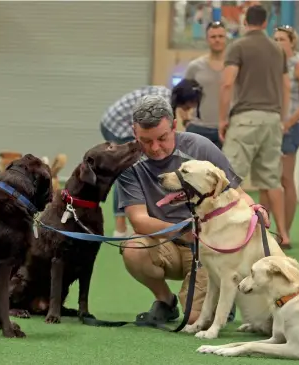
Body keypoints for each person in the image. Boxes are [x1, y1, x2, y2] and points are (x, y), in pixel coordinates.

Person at [116, 94, 270, 325]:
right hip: (166, 242)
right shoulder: (129, 162)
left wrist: (255, 207)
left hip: (207, 248)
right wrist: (186, 229)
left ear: (175, 126)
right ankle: (165, 301)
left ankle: (218, 302)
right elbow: (139, 220)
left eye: (162, 138)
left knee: (194, 320)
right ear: (134, 132)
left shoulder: (200, 147)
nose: (155, 148)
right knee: (133, 248)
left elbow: (235, 192)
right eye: (145, 141)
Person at [218, 4, 292, 248]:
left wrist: (222, 118)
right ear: (265, 23)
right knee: (271, 179)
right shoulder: (278, 50)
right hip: (272, 118)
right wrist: (282, 117)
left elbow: (228, 83)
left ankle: (227, 228)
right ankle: (283, 234)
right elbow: (285, 86)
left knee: (230, 175)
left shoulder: (238, 46)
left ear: (245, 21)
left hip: (246, 117)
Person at [100, 84, 203, 238]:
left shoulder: (167, 100)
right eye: (189, 106)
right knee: (127, 169)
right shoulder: (162, 104)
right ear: (184, 100)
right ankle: (120, 229)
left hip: (118, 121)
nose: (189, 111)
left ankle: (140, 220)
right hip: (117, 126)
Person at [273, 25, 299, 236]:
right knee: (268, 179)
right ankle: (267, 228)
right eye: (276, 39)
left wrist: (287, 123)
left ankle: (285, 231)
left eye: (282, 39)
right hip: (270, 126)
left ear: (292, 42)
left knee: (285, 178)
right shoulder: (271, 64)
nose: (278, 43)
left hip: (290, 129)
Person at [183, 21, 228, 149]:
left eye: (220, 36)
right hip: (200, 129)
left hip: (227, 129)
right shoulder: (195, 66)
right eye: (213, 37)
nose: (217, 40)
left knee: (225, 168)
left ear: (226, 38)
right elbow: (181, 97)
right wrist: (186, 121)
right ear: (207, 39)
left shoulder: (234, 66)